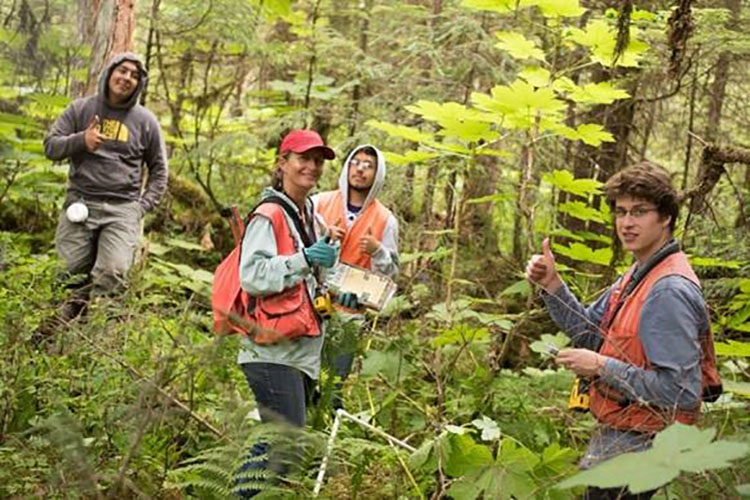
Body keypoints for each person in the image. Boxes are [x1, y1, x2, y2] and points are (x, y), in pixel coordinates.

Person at [525, 161, 720, 500]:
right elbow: (590, 334)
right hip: (622, 439)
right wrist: (552, 285)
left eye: (640, 212)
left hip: (646, 448)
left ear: (666, 217)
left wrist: (600, 366)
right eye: (621, 212)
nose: (627, 223)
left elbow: (681, 394)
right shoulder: (639, 272)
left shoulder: (668, 290)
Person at [236, 129, 341, 497]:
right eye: (303, 159)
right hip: (271, 349)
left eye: (318, 161)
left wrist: (332, 274)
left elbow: (310, 280)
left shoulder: (310, 212)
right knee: (280, 445)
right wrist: (304, 259)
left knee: (280, 447)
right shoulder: (269, 215)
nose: (311, 167)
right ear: (282, 164)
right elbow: (252, 276)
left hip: (300, 350)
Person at [43, 52, 168, 311]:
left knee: (112, 272)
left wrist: (141, 207)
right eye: (122, 71)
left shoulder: (146, 121)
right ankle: (60, 334)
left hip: (123, 209)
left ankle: (99, 339)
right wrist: (81, 141)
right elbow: (51, 147)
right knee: (70, 272)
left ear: (139, 84)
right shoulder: (80, 109)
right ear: (110, 72)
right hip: (81, 202)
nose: (127, 78)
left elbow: (159, 170)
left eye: (134, 76)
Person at [312, 144, 399, 407]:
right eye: (356, 162)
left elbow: (391, 277)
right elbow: (298, 248)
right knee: (300, 379)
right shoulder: (318, 203)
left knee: (332, 387)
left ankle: (323, 442)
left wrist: (378, 251)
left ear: (378, 174)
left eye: (368, 165)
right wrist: (324, 238)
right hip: (309, 307)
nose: (360, 169)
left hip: (350, 316)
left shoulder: (386, 220)